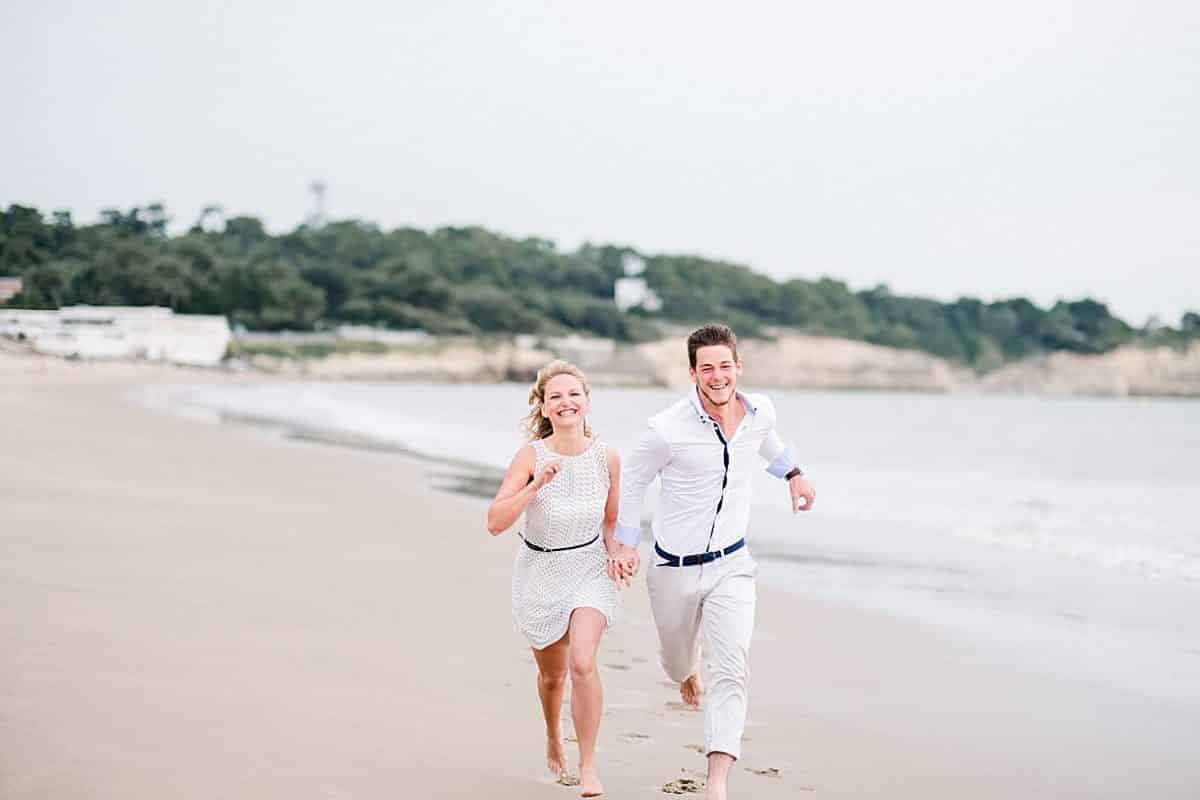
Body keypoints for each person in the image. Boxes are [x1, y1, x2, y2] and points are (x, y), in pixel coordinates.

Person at [611, 323, 816, 800]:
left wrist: (795, 475)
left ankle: (716, 783)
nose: (718, 376)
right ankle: (686, 671)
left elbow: (767, 441)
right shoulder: (666, 430)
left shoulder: (760, 410)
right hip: (673, 569)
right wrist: (625, 543)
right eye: (708, 368)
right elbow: (635, 480)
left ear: (738, 367)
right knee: (676, 660)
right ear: (692, 373)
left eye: (726, 366)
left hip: (732, 565)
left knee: (733, 669)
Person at [487, 360, 627, 798]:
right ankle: (553, 733)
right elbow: (495, 521)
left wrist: (621, 553)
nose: (566, 402)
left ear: (587, 402)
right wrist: (535, 486)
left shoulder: (608, 457)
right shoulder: (531, 456)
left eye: (574, 394)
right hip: (541, 570)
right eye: (556, 397)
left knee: (583, 662)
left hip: (588, 567)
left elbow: (611, 525)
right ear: (544, 407)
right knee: (553, 678)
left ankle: (588, 766)